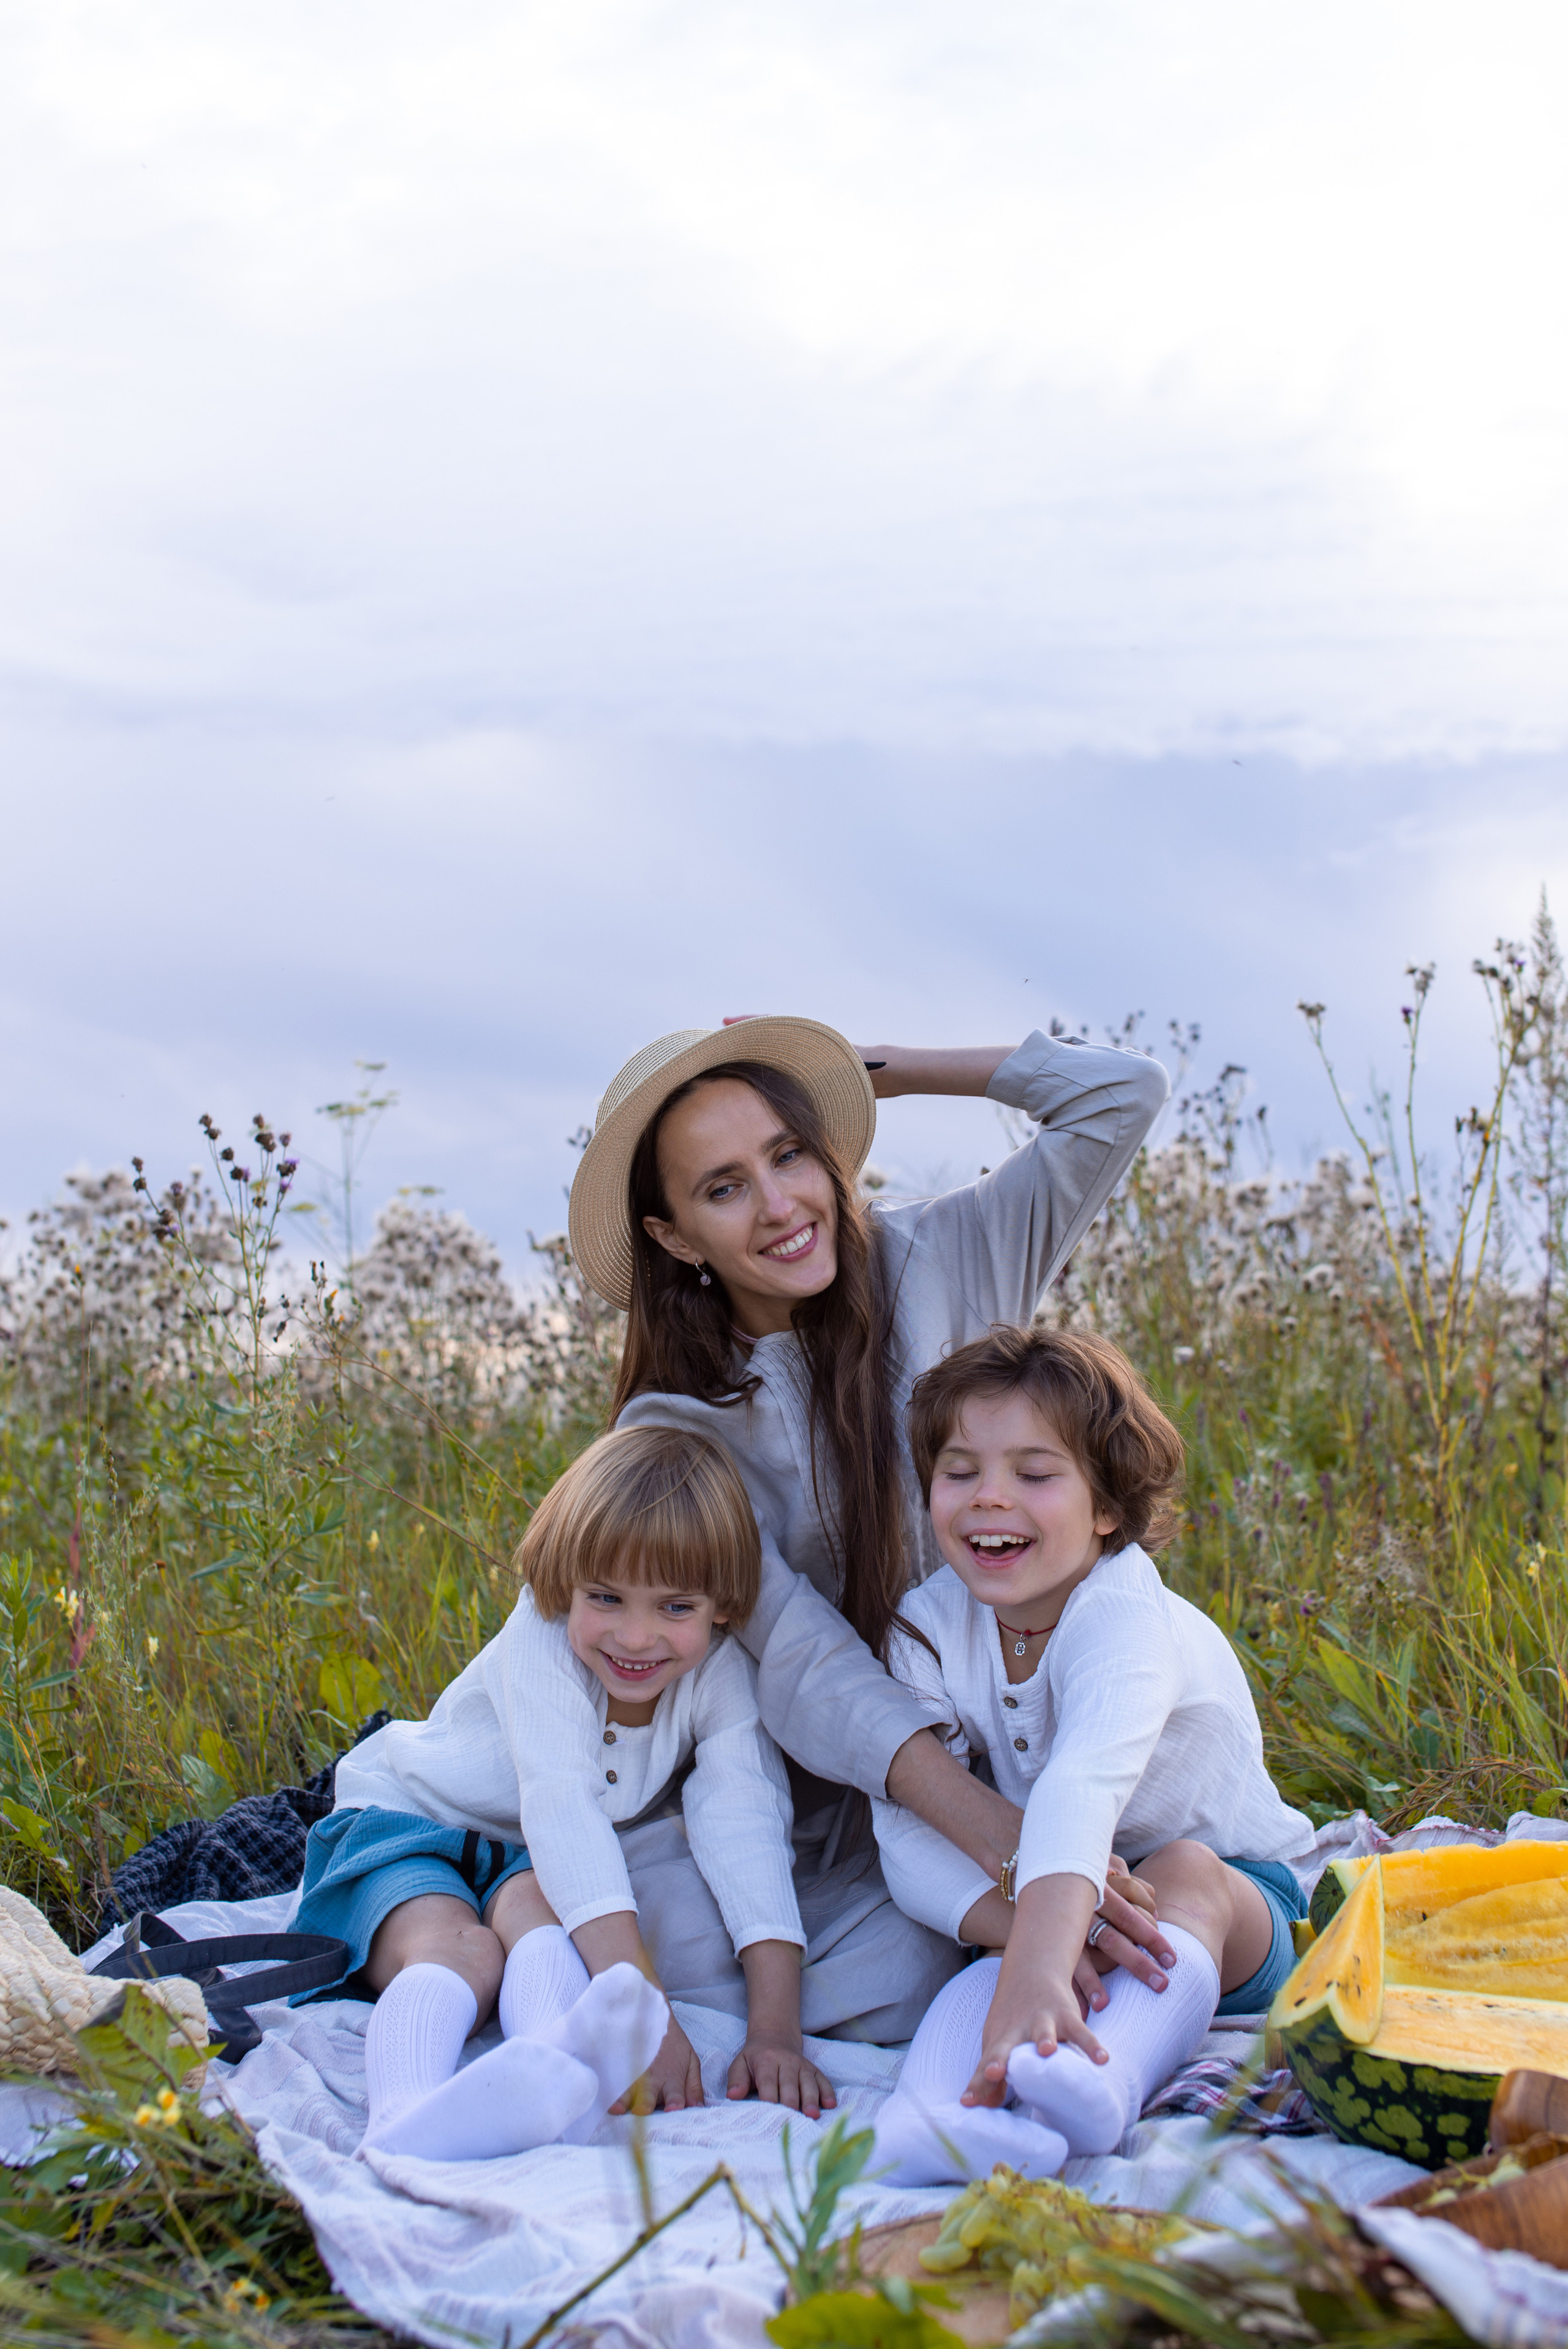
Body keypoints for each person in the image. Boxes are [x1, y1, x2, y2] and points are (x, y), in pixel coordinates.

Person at [567, 1016, 1174, 2042]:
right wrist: (994, 1835)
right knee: (879, 1966)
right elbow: (798, 1654)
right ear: (675, 1236)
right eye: (724, 1187)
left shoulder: (945, 1251)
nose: (779, 1206)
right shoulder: (675, 1426)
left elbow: (1123, 1091)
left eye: (788, 1152)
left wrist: (866, 1074)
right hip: (838, 1793)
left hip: (1032, 1745)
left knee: (1123, 1913)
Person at [293, 1424, 835, 2155]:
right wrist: (649, 2016)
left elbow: (745, 1825)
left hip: (515, 1855)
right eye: (606, 1597)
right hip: (406, 1820)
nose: (635, 1637)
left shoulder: (721, 1675)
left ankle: (558, 2100)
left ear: (723, 1607)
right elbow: (562, 1808)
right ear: (566, 1583)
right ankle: (401, 2118)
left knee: (549, 1940)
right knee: (465, 1954)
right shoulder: (544, 1637)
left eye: (675, 1607)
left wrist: (774, 2032)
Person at [867, 1324, 1316, 2181]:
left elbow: (1083, 1779)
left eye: (1034, 1474)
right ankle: (928, 2118)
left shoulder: (1122, 1614)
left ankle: (1099, 2087)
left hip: (1236, 1899)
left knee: (1178, 1866)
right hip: (1048, 1884)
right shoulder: (923, 1627)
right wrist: (1038, 1940)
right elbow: (906, 1829)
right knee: (1012, 1947)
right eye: (959, 1471)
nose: (989, 1497)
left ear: (1108, 1509)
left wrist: (1048, 1952)